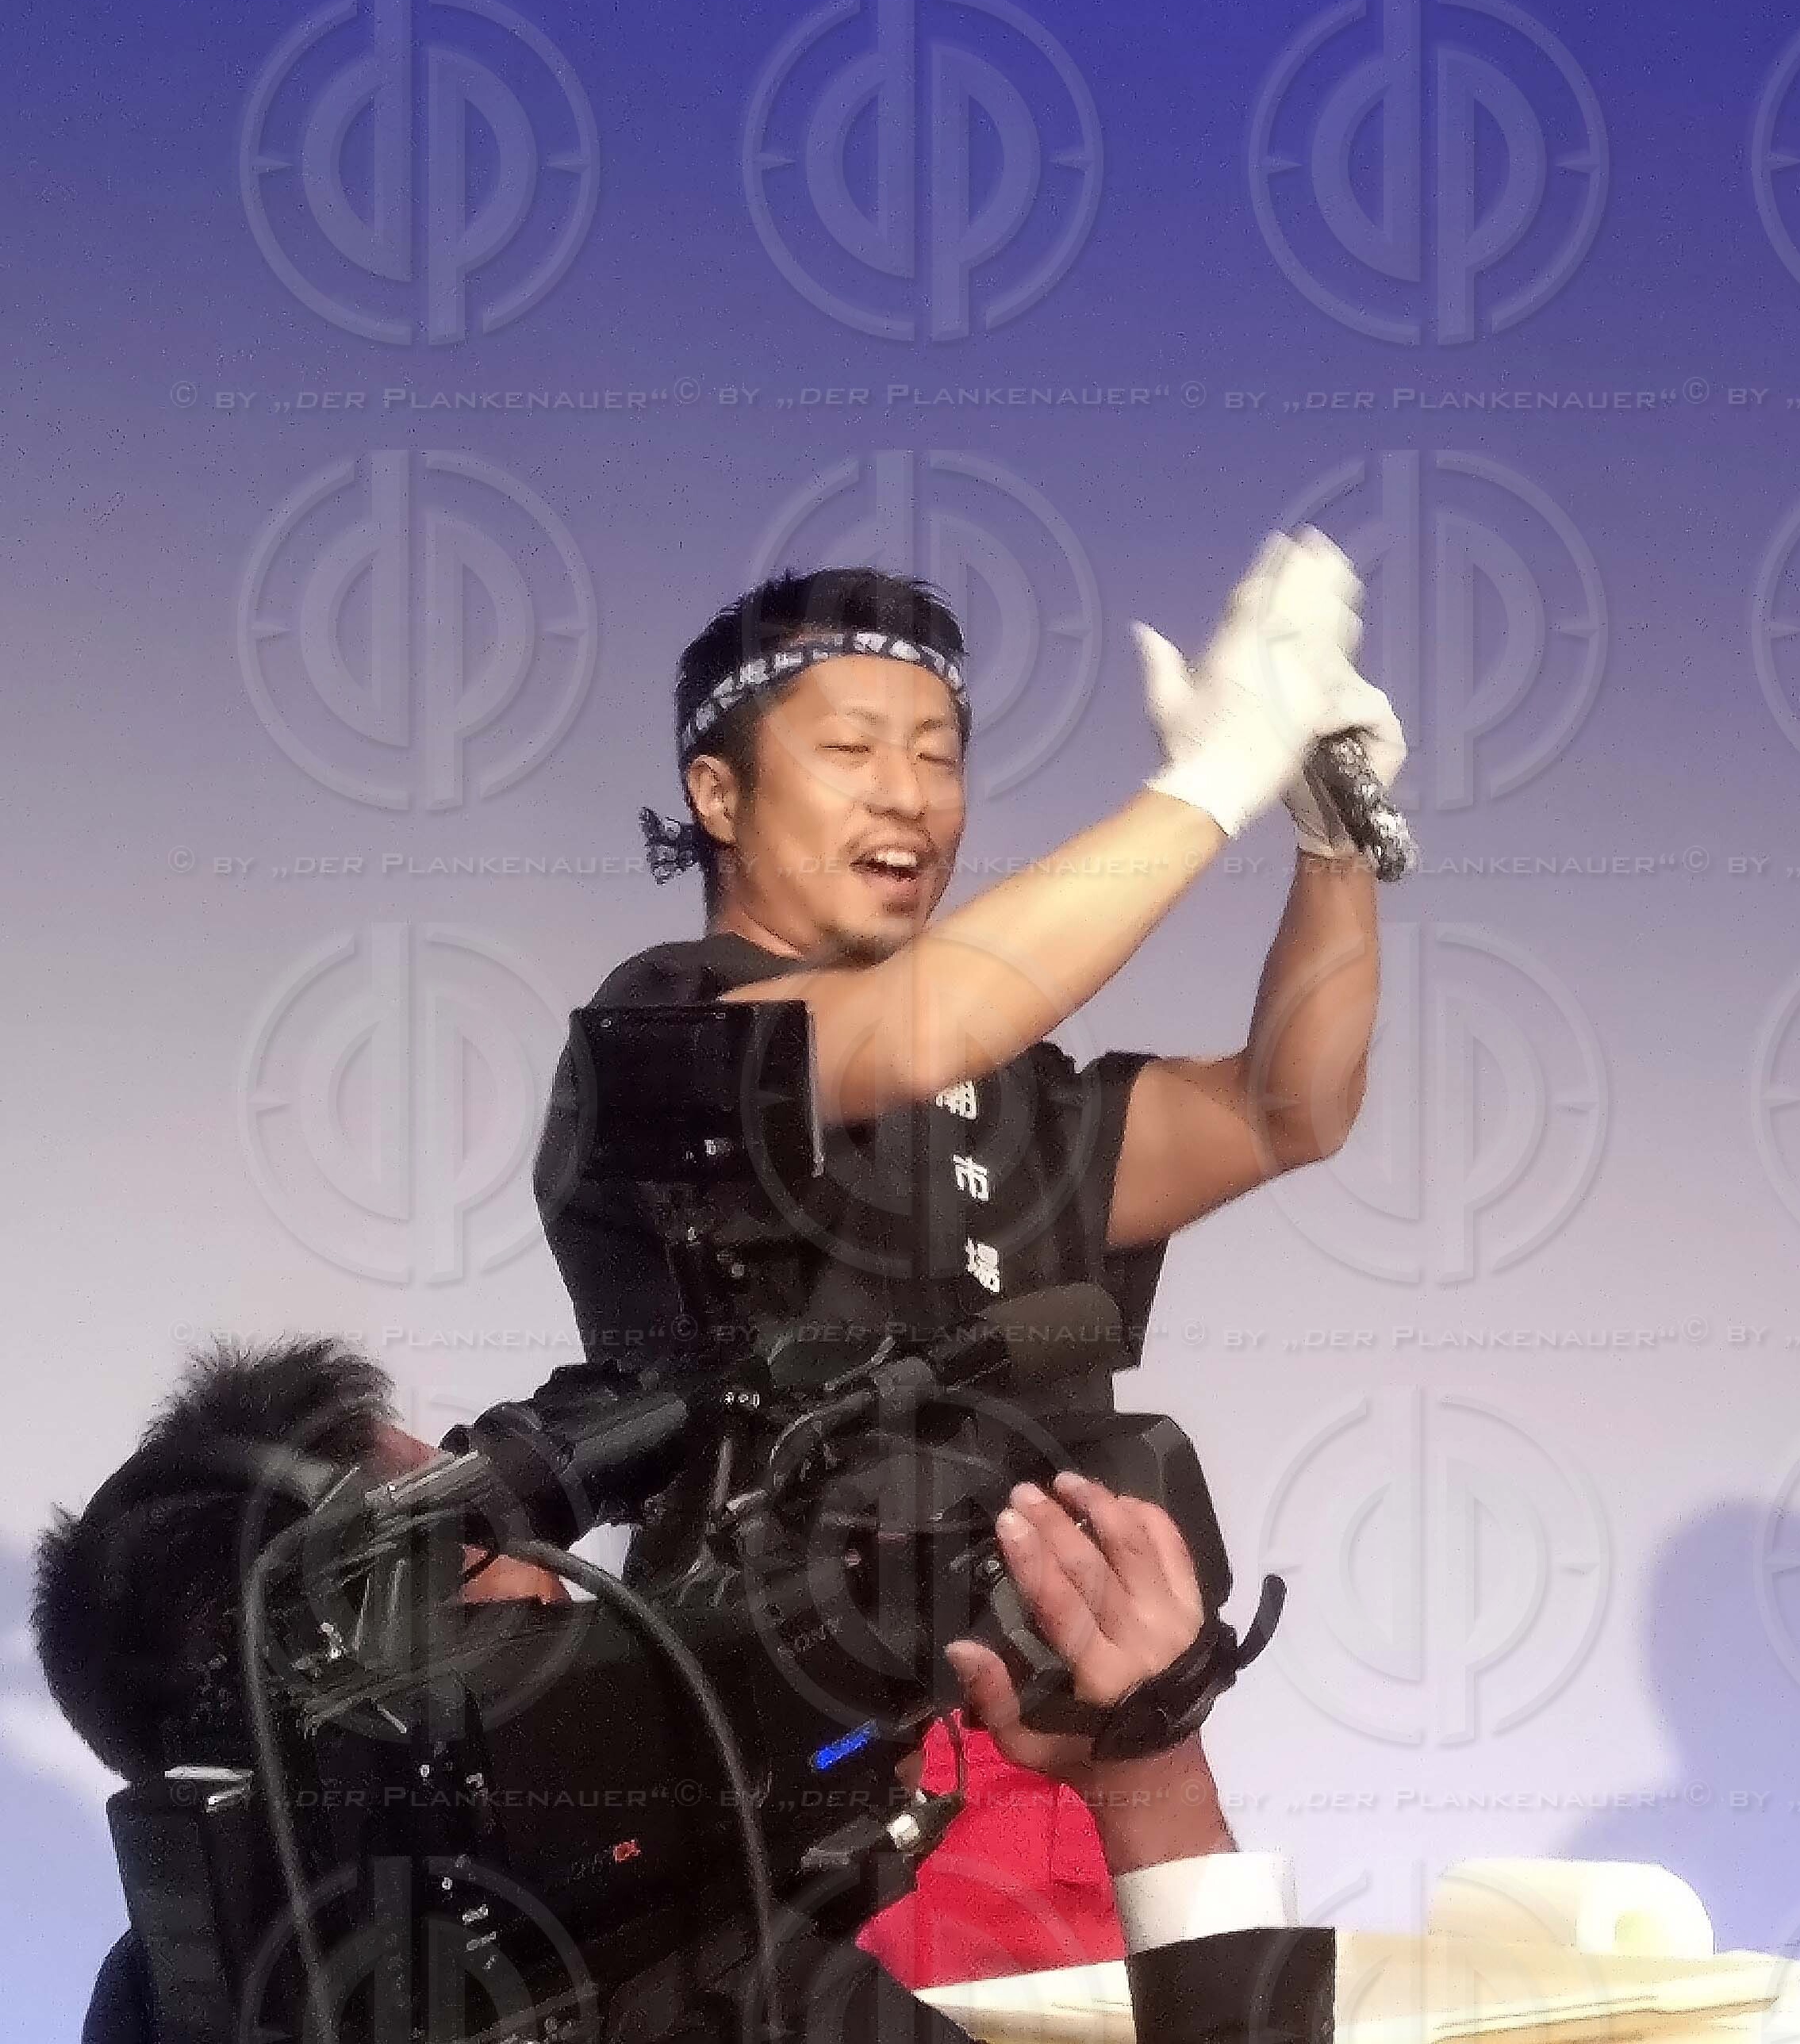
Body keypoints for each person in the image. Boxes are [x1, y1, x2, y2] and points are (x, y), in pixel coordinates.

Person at [533, 532, 1399, 1985]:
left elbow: (1285, 1107)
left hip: (1082, 1759)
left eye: (939, 755)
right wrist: (1213, 775)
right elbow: (923, 1024)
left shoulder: (1002, 1088)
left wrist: (1331, 833)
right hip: (798, 1792)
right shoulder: (657, 1042)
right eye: (852, 749)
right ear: (717, 794)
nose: (909, 794)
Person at [34, 1336, 1230, 2044]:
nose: (574, 1595)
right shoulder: (715, 1995)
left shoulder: (170, 1992)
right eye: (514, 1571)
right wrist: (1154, 1771)